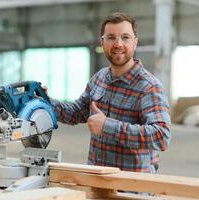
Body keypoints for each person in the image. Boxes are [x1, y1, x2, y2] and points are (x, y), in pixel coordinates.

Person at [49, 12, 171, 173]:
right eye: (111, 37)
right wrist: (45, 102)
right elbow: (76, 112)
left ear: (135, 42)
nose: (118, 44)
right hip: (96, 180)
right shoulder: (99, 78)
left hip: (131, 188)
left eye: (125, 37)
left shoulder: (149, 87)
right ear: (102, 42)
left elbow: (161, 136)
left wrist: (107, 126)